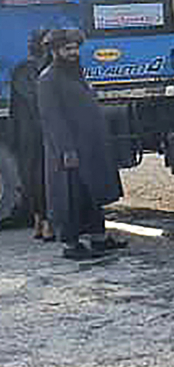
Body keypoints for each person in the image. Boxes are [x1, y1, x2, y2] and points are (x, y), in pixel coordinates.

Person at [38, 29, 126, 259]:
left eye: (75, 48)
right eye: (67, 49)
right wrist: (66, 150)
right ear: (55, 51)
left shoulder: (75, 74)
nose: (73, 53)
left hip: (89, 147)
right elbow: (52, 118)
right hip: (68, 150)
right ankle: (71, 245)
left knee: (91, 193)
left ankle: (99, 238)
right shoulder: (48, 79)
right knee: (71, 197)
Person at [12, 29, 51, 241]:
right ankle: (45, 223)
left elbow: (16, 109)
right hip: (41, 131)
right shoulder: (47, 70)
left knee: (31, 177)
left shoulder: (19, 70)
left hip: (26, 132)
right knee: (44, 177)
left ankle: (38, 220)